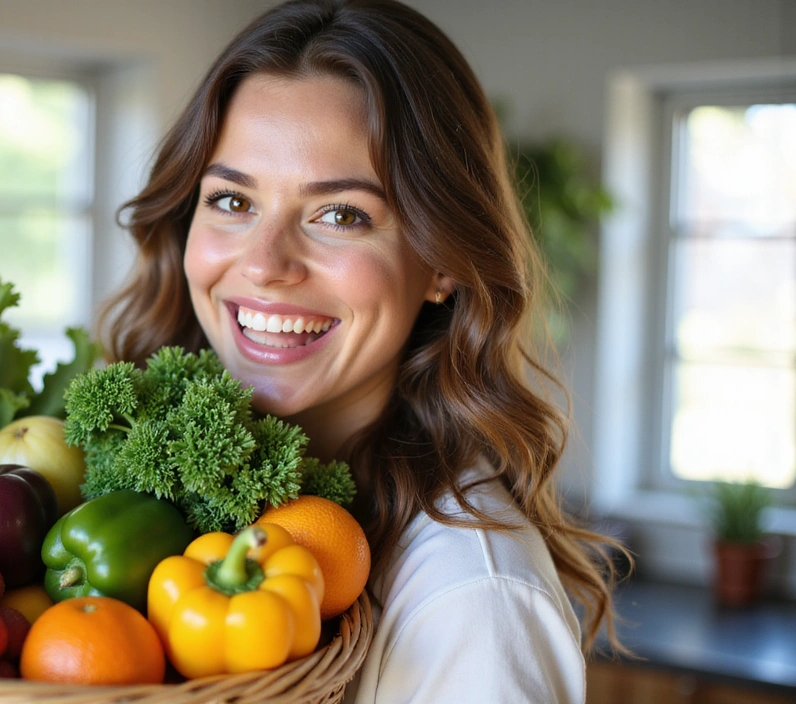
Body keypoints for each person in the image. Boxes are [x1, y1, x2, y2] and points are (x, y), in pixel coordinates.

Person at [98, 0, 624, 701]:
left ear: (442, 262)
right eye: (232, 200)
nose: (264, 263)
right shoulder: (158, 508)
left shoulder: (474, 604)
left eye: (340, 215)